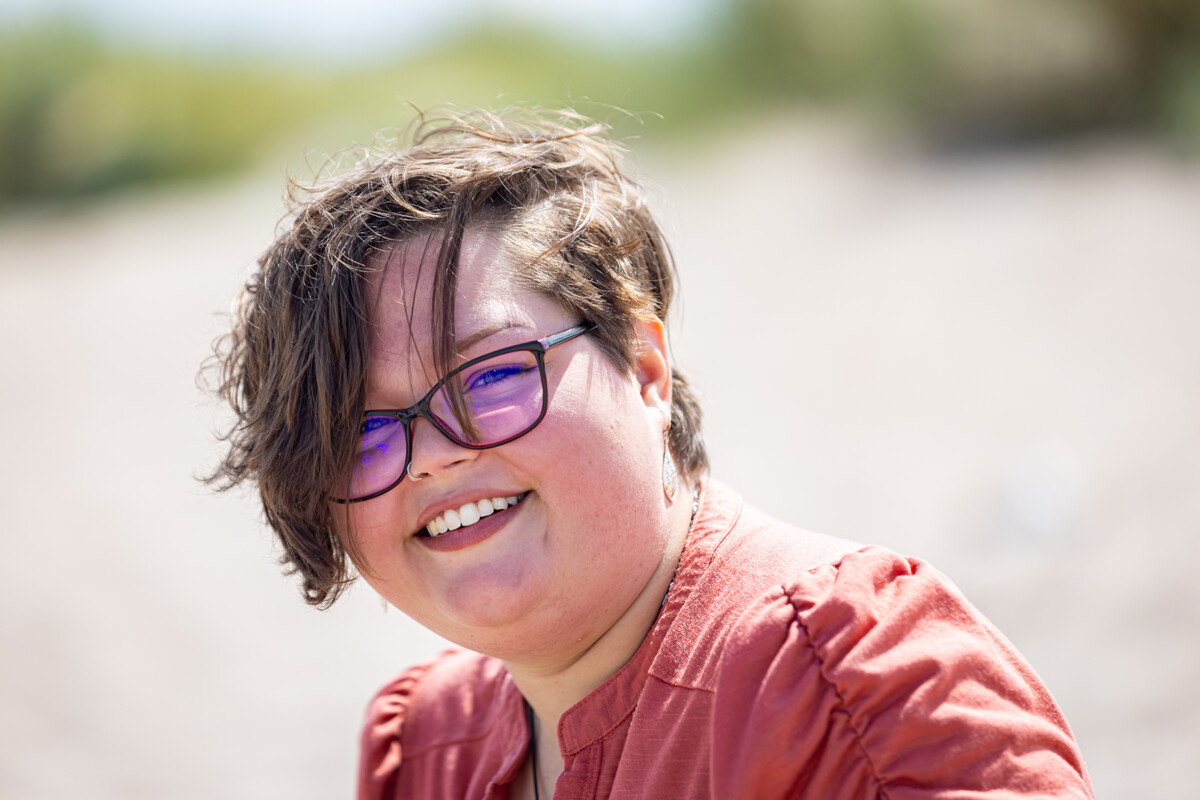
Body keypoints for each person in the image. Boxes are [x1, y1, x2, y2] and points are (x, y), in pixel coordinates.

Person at [208, 109, 1094, 799]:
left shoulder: (854, 691)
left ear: (643, 367)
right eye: (360, 434)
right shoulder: (426, 750)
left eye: (486, 380)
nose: (433, 456)